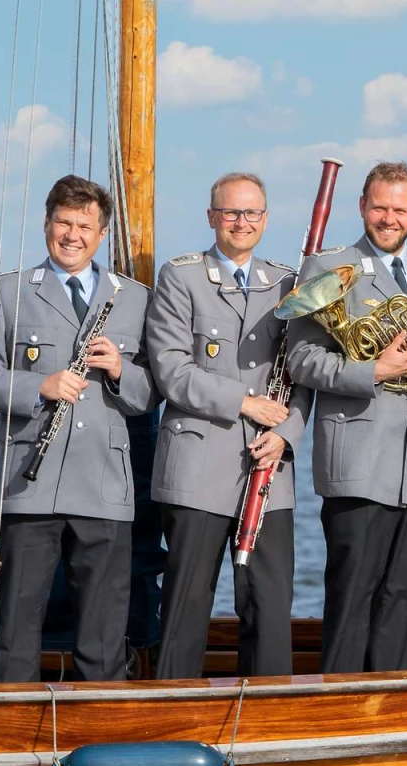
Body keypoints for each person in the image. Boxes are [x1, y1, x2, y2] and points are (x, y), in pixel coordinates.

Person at [0, 174, 157, 682]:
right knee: (17, 629)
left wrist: (119, 370)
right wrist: (36, 387)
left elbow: (152, 392)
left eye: (84, 225)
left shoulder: (134, 298)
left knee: (104, 634)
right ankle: (11, 738)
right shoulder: (8, 291)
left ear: (102, 232)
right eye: (63, 223)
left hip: (105, 484)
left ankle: (101, 733)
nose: (72, 234)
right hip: (29, 481)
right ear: (47, 225)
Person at [287, 160, 407, 674]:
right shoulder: (328, 265)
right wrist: (373, 369)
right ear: (362, 206)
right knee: (351, 597)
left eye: (399, 209)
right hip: (358, 458)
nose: (389, 218)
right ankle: (339, 710)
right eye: (380, 207)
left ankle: (397, 710)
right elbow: (302, 359)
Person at [146, 172, 307, 679]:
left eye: (252, 213)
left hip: (269, 468)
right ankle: (172, 715)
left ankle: (268, 719)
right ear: (211, 216)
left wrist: (286, 434)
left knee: (269, 605)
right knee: (186, 607)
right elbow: (171, 370)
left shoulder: (289, 285)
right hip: (198, 467)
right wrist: (246, 403)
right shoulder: (181, 276)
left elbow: (304, 372)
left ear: (265, 218)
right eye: (231, 213)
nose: (242, 222)